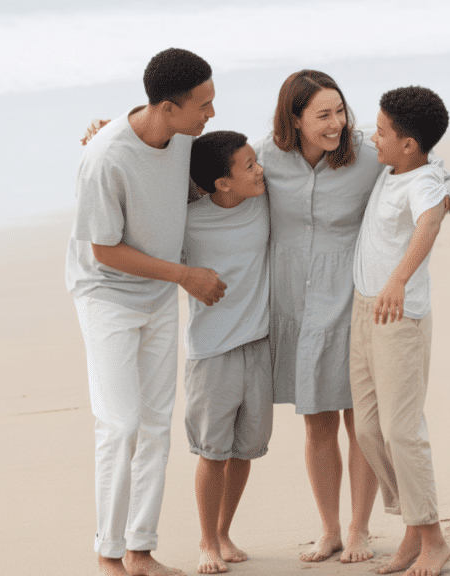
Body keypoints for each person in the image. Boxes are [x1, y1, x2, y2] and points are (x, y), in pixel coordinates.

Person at [254, 70, 450, 564]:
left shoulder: (370, 149)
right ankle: (330, 529)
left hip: (354, 300)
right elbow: (204, 171)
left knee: (365, 422)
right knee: (317, 420)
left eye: (341, 111)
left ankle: (360, 530)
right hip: (292, 303)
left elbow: (429, 170)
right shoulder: (266, 154)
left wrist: (445, 200)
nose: (338, 124)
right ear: (295, 118)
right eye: (323, 115)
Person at [65, 47, 226, 576]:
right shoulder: (105, 157)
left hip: (155, 296)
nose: (211, 113)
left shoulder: (183, 136)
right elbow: (104, 250)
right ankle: (108, 554)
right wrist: (187, 277)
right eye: (203, 104)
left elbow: (226, 163)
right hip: (107, 296)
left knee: (157, 426)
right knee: (120, 423)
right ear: (167, 107)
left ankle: (139, 551)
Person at [350, 85, 450, 576]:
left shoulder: (422, 180)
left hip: (400, 315)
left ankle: (431, 537)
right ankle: (416, 529)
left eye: (381, 131)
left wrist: (398, 279)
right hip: (364, 311)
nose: (372, 137)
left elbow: (431, 220)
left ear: (410, 144)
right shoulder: (395, 163)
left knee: (402, 430)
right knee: (369, 429)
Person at [182, 131, 272, 574]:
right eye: (250, 165)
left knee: (243, 450)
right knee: (212, 452)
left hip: (257, 344)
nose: (261, 170)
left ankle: (224, 531)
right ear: (222, 183)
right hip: (211, 352)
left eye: (257, 160)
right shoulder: (187, 220)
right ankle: (206, 541)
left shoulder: (263, 201)